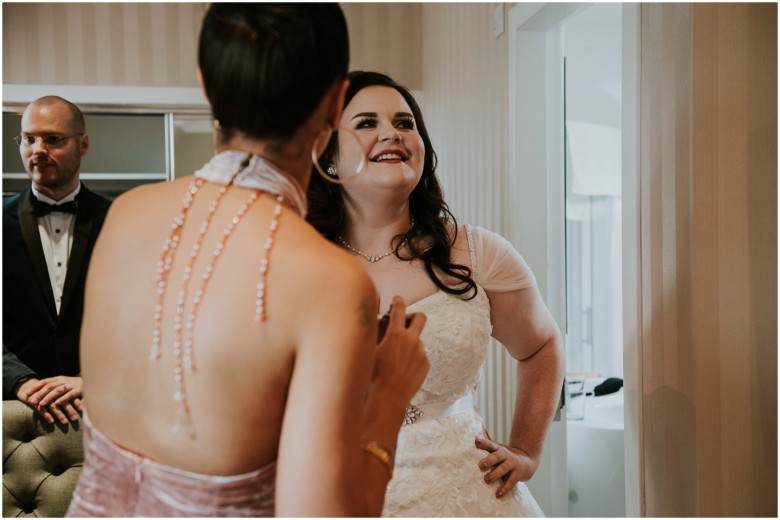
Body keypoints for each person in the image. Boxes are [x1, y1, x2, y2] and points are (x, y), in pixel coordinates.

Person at [66, 5, 428, 517]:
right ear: (334, 105)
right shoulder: (329, 283)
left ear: (206, 86)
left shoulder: (121, 216)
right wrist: (390, 392)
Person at [307, 70, 564, 517]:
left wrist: (526, 448)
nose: (392, 132)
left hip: (471, 497)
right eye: (367, 123)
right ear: (328, 156)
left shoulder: (476, 252)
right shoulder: (295, 262)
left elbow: (542, 345)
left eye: (406, 123)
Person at [3, 95, 112, 426]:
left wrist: (90, 379)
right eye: (29, 139)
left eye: (53, 139)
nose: (37, 149)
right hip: (14, 415)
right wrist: (21, 382)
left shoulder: (121, 220)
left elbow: (143, 320)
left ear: (83, 144)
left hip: (104, 407)